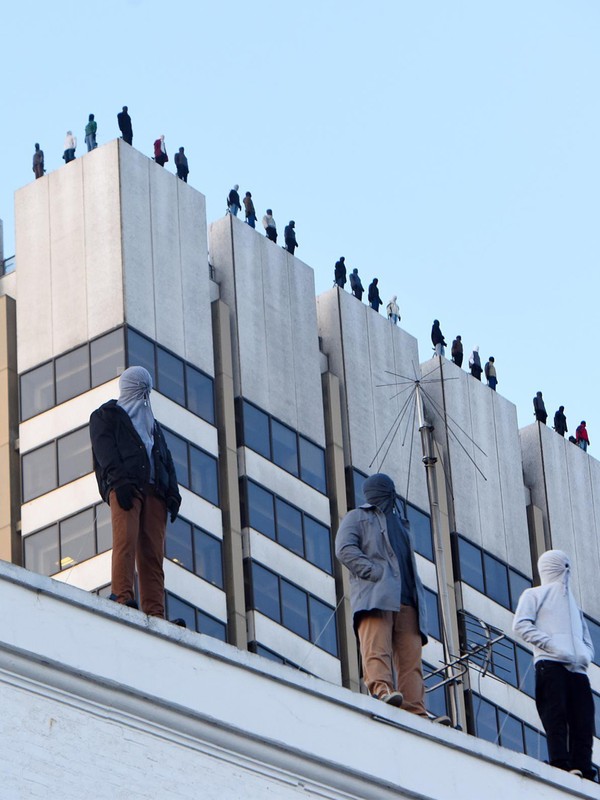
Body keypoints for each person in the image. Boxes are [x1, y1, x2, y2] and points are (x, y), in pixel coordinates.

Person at [89, 366, 181, 619]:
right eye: (139, 388)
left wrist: (172, 493)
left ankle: (155, 612)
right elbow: (105, 451)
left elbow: (165, 459)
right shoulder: (106, 416)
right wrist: (118, 482)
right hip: (127, 486)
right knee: (126, 540)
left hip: (155, 492)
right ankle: (122, 595)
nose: (143, 395)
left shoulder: (153, 426)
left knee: (153, 553)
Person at [335, 473, 430, 716]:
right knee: (376, 649)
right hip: (376, 598)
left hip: (408, 602)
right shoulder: (357, 516)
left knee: (411, 661)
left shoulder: (401, 523)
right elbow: (344, 548)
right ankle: (381, 690)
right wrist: (374, 573)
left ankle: (416, 709)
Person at [513, 550, 595, 780]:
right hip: (550, 664)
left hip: (578, 669)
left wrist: (585, 654)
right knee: (555, 714)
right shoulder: (534, 594)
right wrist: (552, 646)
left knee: (584, 719)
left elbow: (585, 636)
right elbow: (520, 624)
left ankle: (584, 766)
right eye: (562, 564)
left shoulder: (573, 606)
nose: (566, 569)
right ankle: (560, 761)